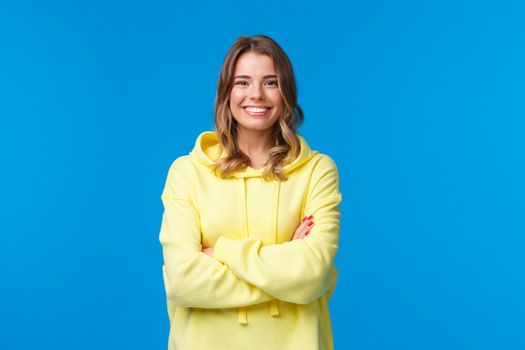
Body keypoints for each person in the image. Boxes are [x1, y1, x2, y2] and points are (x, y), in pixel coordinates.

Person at [158, 34, 343, 350]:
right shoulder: (187, 172)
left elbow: (312, 272)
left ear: (286, 91)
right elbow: (183, 282)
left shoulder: (317, 170)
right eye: (242, 82)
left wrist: (222, 253)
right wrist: (286, 273)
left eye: (270, 82)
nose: (256, 94)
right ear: (226, 93)